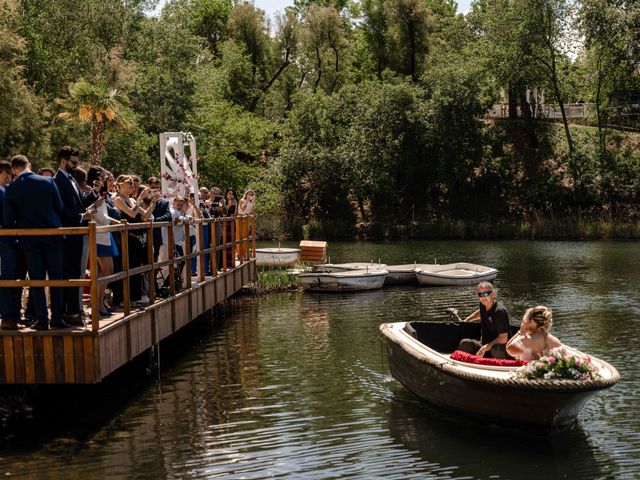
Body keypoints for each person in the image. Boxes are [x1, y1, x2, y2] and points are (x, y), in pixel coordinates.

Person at [3, 155, 65, 330]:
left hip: (30, 239)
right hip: (53, 235)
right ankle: (57, 318)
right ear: (29, 165)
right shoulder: (48, 181)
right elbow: (59, 207)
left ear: (14, 169)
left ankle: (42, 320)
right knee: (56, 278)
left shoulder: (12, 188)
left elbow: (8, 220)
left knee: (36, 280)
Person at [53, 146, 98, 325]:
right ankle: (68, 312)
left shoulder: (72, 179)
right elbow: (61, 209)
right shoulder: (57, 181)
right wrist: (81, 216)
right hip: (68, 235)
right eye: (73, 162)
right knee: (68, 273)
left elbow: (79, 204)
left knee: (75, 273)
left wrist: (94, 195)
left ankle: (73, 311)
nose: (76, 165)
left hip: (77, 234)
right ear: (63, 161)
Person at [0, 160, 25, 330]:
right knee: (8, 277)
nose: (12, 178)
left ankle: (14, 315)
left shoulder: (7, 191)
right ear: (3, 174)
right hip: (5, 240)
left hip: (13, 239)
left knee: (16, 277)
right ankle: (8, 317)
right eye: (10, 175)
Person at [458, 282, 511, 358]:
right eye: (480, 294)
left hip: (499, 348)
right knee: (465, 343)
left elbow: (503, 338)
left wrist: (486, 347)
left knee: (497, 350)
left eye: (486, 294)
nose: (483, 297)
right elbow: (480, 312)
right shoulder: (483, 304)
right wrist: (468, 319)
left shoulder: (499, 312)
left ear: (493, 294)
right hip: (484, 345)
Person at [237, 190, 255, 261]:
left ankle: (245, 254)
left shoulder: (252, 203)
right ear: (246, 194)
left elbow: (252, 213)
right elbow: (243, 208)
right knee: (240, 236)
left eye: (251, 195)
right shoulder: (242, 200)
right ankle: (239, 254)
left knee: (246, 237)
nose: (250, 196)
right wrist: (247, 201)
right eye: (248, 194)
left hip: (246, 220)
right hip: (240, 219)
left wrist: (252, 203)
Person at [224, 188, 238, 268]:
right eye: (229, 193)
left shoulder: (235, 202)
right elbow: (224, 212)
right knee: (225, 242)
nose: (231, 195)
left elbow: (235, 214)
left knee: (231, 241)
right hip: (225, 223)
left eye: (232, 194)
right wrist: (229, 204)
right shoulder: (223, 202)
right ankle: (224, 262)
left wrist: (235, 204)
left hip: (232, 223)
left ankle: (231, 262)